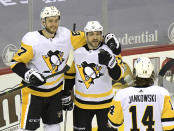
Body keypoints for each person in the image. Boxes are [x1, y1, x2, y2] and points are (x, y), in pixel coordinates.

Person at [9, 6, 86, 131]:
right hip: (34, 94)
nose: (54, 24)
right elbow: (15, 63)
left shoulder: (66, 35)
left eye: (56, 20)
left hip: (55, 93)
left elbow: (89, 37)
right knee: (27, 129)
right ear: (43, 22)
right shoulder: (32, 40)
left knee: (54, 127)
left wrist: (108, 40)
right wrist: (29, 74)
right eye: (50, 21)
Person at [64, 21, 124, 131]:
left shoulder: (110, 50)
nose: (95, 37)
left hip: (106, 105)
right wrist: (66, 92)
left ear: (102, 35)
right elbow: (70, 75)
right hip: (82, 106)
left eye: (97, 34)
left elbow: (118, 75)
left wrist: (111, 63)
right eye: (91, 34)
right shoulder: (77, 52)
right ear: (86, 36)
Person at [108, 57, 174, 131]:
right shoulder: (162, 93)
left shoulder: (122, 95)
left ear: (134, 72)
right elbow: (169, 126)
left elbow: (113, 123)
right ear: (152, 72)